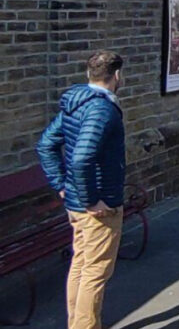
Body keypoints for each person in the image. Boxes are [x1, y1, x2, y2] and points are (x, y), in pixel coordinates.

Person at [36, 50, 126, 329]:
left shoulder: (76, 103)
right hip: (98, 205)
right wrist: (91, 201)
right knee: (95, 272)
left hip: (77, 203)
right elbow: (81, 158)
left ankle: (77, 323)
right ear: (117, 75)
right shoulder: (102, 109)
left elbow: (46, 144)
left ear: (89, 73)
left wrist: (62, 185)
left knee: (82, 263)